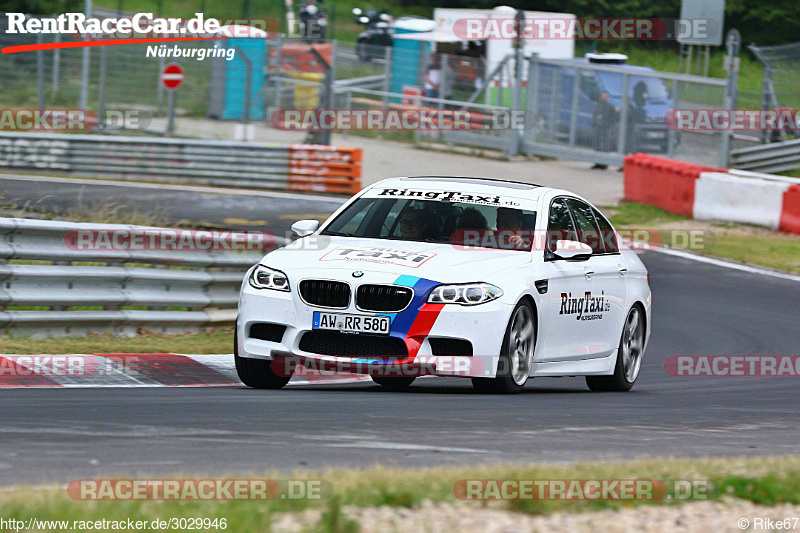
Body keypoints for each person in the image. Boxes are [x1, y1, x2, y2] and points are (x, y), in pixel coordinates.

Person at [591, 91, 620, 169]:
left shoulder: (610, 107)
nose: (603, 97)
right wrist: (594, 124)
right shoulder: (598, 105)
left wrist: (608, 124)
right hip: (598, 128)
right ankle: (597, 162)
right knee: (597, 146)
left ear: (608, 97)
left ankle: (605, 163)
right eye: (602, 96)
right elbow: (594, 116)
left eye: (605, 96)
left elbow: (615, 118)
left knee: (605, 146)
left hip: (606, 129)